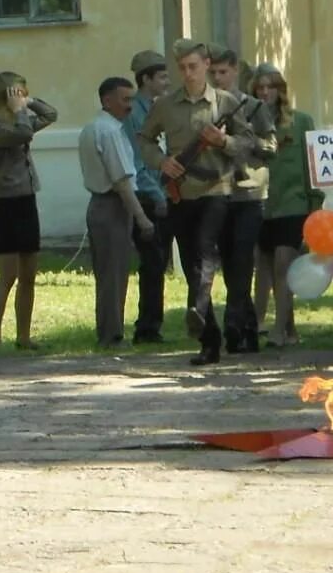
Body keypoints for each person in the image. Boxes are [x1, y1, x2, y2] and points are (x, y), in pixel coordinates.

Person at [139, 40, 262, 366]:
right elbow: (144, 139)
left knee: (206, 249)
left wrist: (222, 140)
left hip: (216, 190)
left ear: (206, 64)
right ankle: (209, 339)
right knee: (193, 258)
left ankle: (198, 304)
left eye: (193, 66)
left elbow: (248, 143)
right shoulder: (166, 105)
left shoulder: (225, 102)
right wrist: (162, 162)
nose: (188, 73)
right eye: (182, 68)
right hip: (181, 192)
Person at [0, 71, 57, 350]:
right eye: (17, 95)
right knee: (8, 275)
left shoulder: (20, 119)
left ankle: (23, 336)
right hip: (5, 204)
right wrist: (19, 111)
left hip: (26, 200)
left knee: (28, 275)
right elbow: (23, 133)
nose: (22, 101)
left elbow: (51, 115)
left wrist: (30, 101)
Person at [210, 49, 277, 353]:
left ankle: (233, 324)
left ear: (236, 71)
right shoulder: (208, 108)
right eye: (213, 73)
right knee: (228, 261)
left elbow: (271, 146)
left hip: (249, 191)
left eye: (223, 72)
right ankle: (247, 327)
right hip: (218, 190)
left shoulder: (254, 107)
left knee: (242, 258)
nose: (217, 78)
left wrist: (247, 142)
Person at [79, 77, 154, 347]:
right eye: (124, 99)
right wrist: (142, 217)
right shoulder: (110, 131)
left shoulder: (93, 127)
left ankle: (109, 330)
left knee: (108, 271)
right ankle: (112, 334)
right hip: (111, 205)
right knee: (113, 273)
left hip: (99, 204)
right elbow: (122, 181)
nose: (130, 106)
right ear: (107, 101)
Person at [252, 64, 320, 348]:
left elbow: (312, 165)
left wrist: (314, 205)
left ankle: (279, 329)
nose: (265, 92)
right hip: (260, 204)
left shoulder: (301, 122)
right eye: (259, 88)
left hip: (293, 205)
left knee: (284, 264)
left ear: (281, 91)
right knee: (263, 267)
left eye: (270, 87)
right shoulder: (248, 125)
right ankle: (263, 325)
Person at [123, 50, 175, 343]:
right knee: (152, 263)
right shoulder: (135, 115)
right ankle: (147, 327)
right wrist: (158, 195)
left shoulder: (160, 108)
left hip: (167, 191)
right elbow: (138, 161)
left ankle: (156, 322)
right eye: (162, 77)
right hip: (148, 195)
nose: (167, 82)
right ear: (146, 79)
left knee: (162, 260)